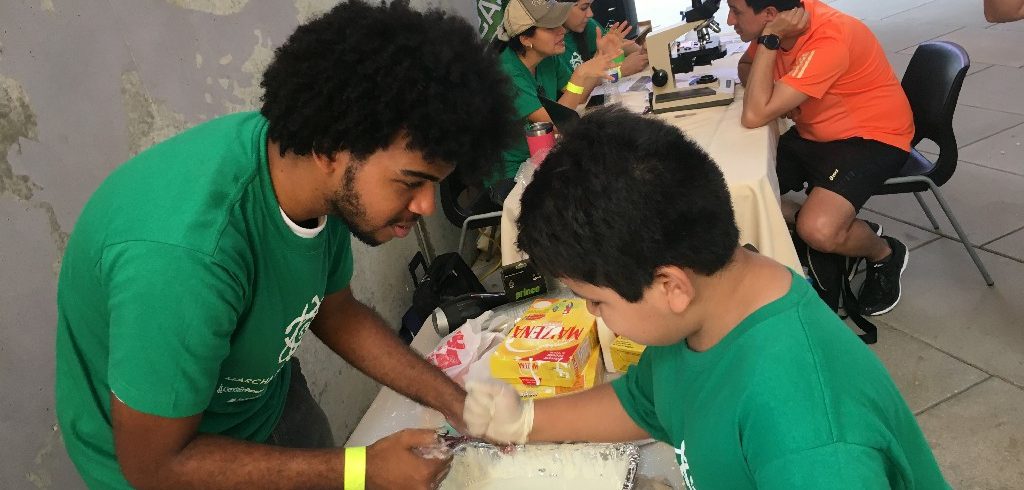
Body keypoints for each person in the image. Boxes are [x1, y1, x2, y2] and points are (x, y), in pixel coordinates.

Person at [54, 1, 518, 489]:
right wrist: (360, 470)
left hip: (261, 398)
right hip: (167, 462)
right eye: (410, 183)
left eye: (434, 184)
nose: (426, 205)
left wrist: (453, 400)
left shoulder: (318, 177)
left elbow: (335, 310)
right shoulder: (184, 259)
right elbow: (156, 466)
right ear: (329, 148)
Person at [462, 107, 950, 489]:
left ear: (670, 285)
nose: (592, 313)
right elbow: (648, 400)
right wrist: (526, 420)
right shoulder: (715, 305)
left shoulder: (811, 438)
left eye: (596, 300)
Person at [730, 0, 915, 316]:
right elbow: (745, 68)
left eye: (736, 10)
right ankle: (845, 223)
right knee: (735, 189)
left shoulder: (829, 36)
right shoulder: (783, 22)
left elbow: (754, 114)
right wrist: (775, 92)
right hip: (814, 132)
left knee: (818, 231)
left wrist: (770, 43)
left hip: (872, 136)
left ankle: (883, 253)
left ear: (771, 16)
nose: (729, 19)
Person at [489, 0, 619, 197]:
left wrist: (600, 59)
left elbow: (578, 94)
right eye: (551, 27)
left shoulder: (547, 56)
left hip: (544, 156)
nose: (562, 31)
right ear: (525, 38)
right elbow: (557, 123)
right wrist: (580, 75)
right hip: (511, 174)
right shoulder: (506, 73)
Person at [560, 1, 649, 78]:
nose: (590, 14)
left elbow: (615, 44)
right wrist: (620, 72)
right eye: (583, 8)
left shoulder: (588, 26)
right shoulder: (554, 44)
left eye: (590, 6)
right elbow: (574, 93)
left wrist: (643, 51)